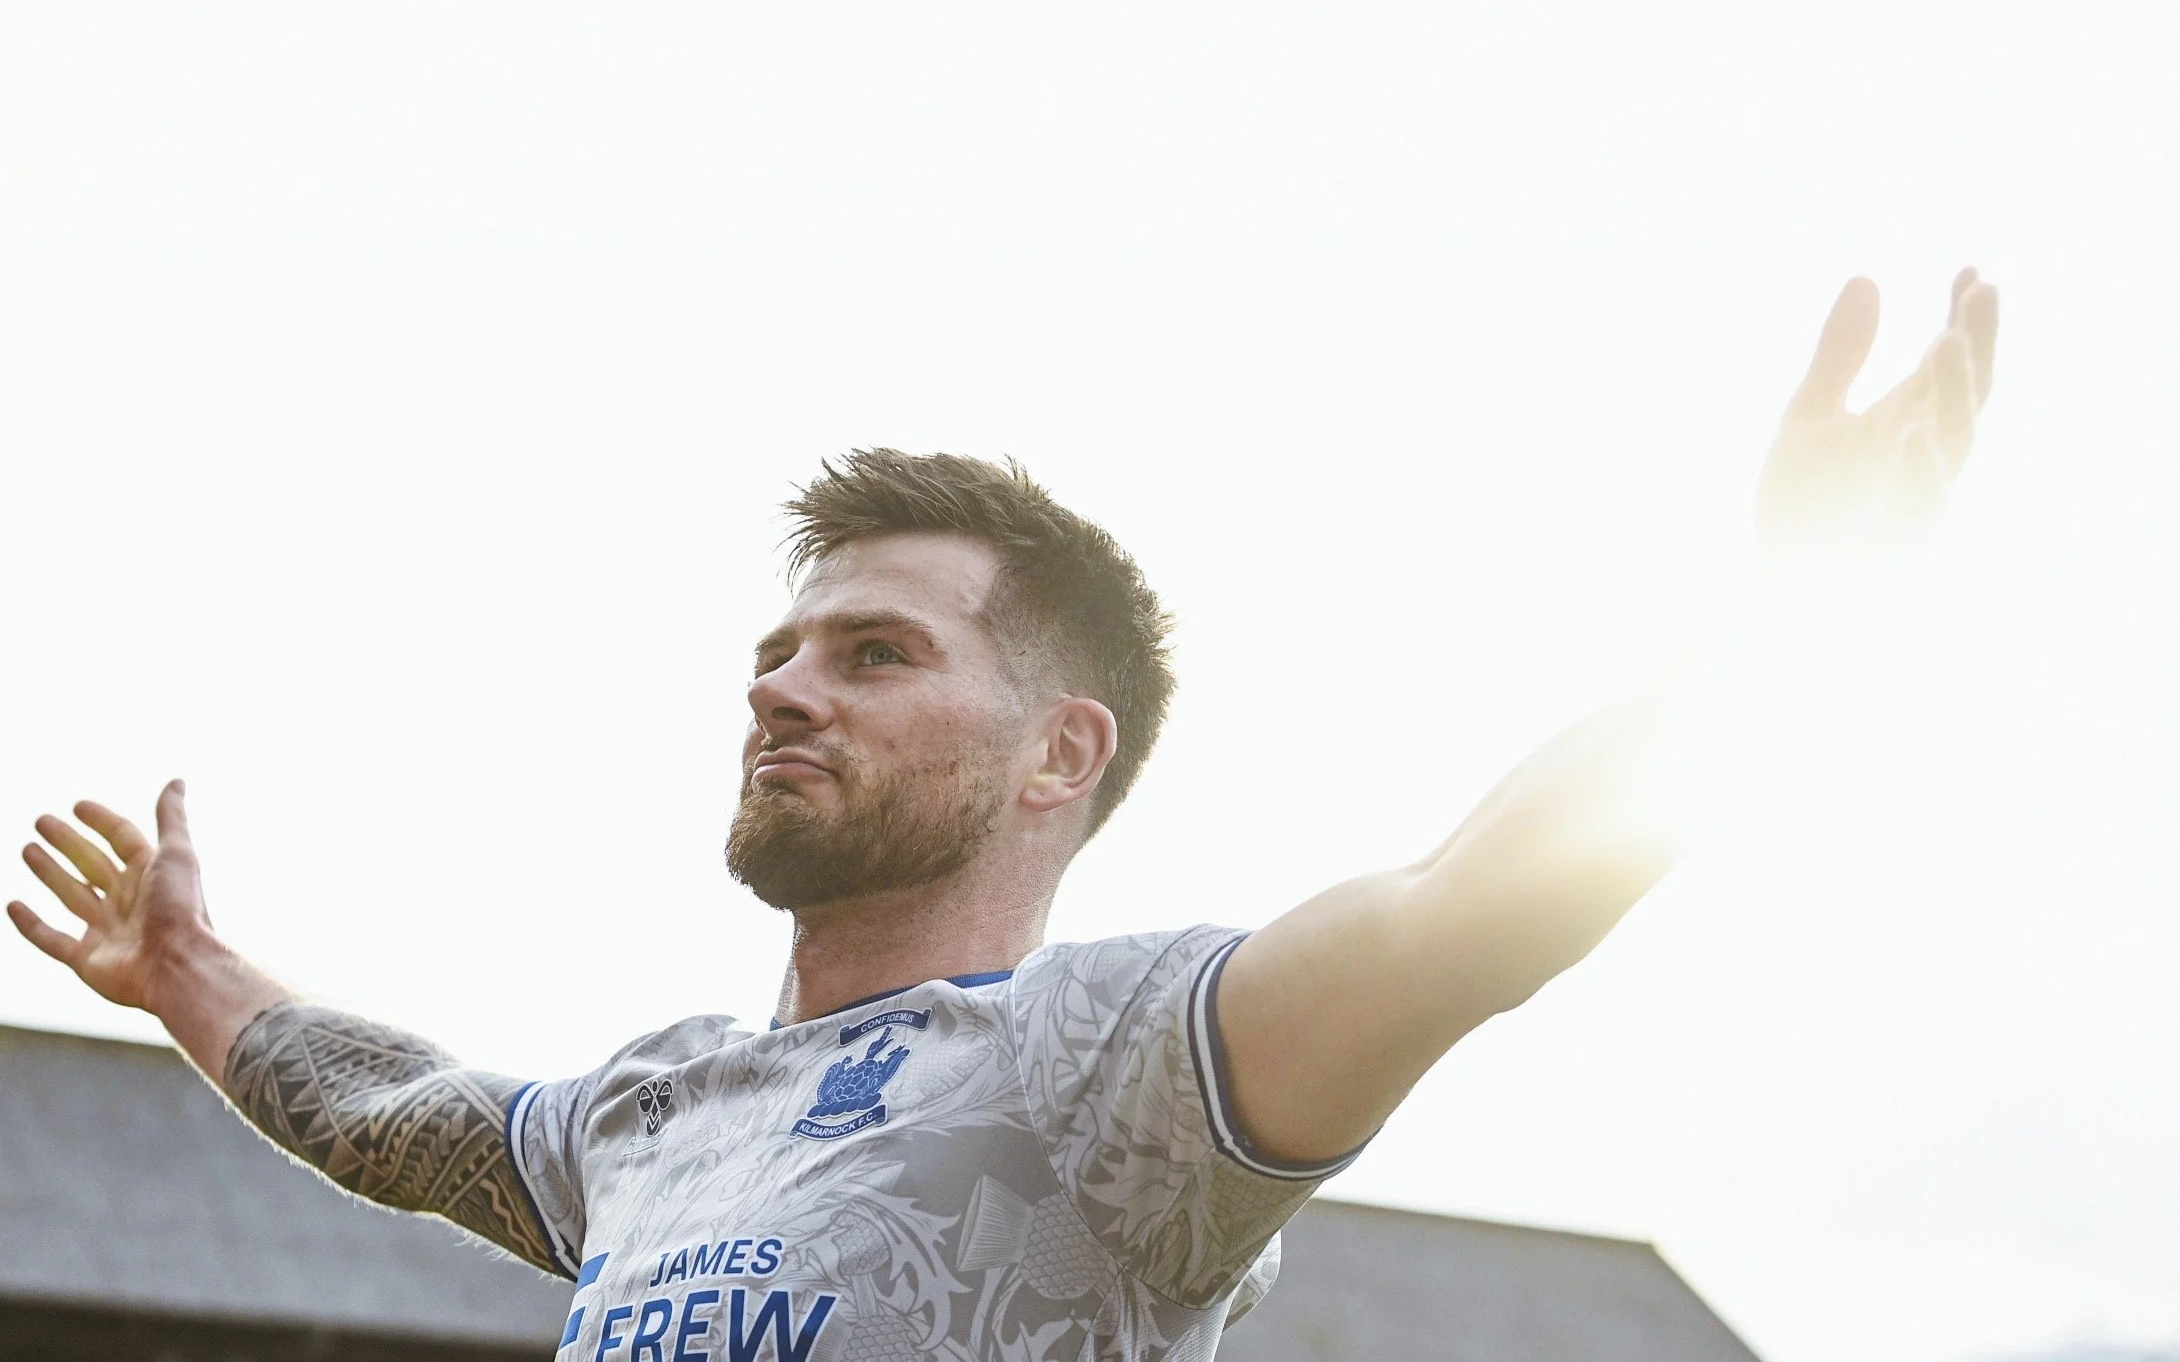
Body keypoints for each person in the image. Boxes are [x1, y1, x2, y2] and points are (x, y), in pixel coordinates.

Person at [10, 271, 1998, 1362]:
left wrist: (1775, 620)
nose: (781, 687)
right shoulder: (650, 1115)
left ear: (1057, 752)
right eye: (779, 651)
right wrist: (187, 969)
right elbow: (384, 1112)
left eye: (872, 653)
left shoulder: (1117, 1069)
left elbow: (1472, 904)